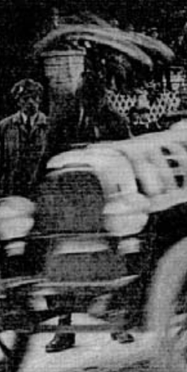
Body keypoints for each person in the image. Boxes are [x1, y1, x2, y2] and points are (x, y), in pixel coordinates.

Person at [45, 72, 134, 351]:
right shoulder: (64, 120)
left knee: (113, 257)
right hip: (69, 203)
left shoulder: (115, 122)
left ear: (104, 95)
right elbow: (46, 157)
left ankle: (117, 323)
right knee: (61, 261)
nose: (93, 100)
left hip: (106, 203)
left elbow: (129, 157)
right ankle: (64, 328)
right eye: (87, 94)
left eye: (98, 95)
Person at [0, 79, 49, 198]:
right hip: (13, 188)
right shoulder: (6, 126)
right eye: (25, 98)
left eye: (35, 97)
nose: (31, 102)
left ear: (40, 100)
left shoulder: (49, 126)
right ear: (18, 102)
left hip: (42, 188)